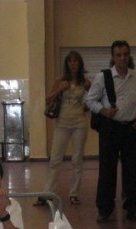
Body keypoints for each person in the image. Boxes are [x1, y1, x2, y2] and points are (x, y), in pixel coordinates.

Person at [86, 40, 136, 224]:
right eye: (119, 55)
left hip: (131, 129)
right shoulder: (103, 77)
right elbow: (90, 100)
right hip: (110, 129)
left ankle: (133, 209)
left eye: (125, 54)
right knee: (107, 170)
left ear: (129, 56)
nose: (122, 58)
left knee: (132, 170)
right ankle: (104, 209)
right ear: (113, 57)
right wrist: (104, 111)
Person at [44, 51, 91, 207]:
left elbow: (94, 98)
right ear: (66, 64)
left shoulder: (85, 83)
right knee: (55, 159)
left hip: (79, 123)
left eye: (75, 61)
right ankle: (47, 193)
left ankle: (74, 193)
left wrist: (86, 106)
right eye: (70, 61)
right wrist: (60, 89)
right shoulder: (60, 81)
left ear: (80, 63)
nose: (73, 64)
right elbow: (47, 99)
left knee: (77, 159)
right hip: (62, 123)